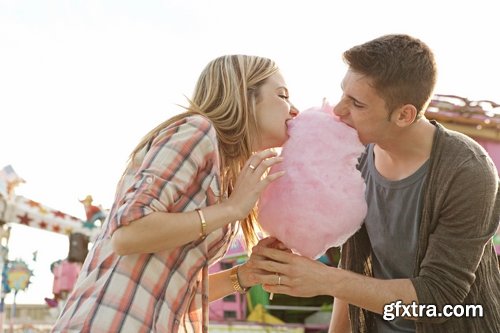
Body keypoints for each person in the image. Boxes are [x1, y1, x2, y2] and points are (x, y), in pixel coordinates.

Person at [248, 34, 500, 333]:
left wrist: (323, 279)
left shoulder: (467, 171)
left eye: (356, 104)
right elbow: (353, 268)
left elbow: (441, 298)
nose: (339, 110)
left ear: (404, 115)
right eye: (343, 94)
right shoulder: (355, 157)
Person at [52, 54, 299, 332]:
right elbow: (128, 233)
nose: (294, 110)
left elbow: (173, 290)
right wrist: (230, 210)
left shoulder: (226, 177)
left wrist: (245, 275)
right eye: (283, 95)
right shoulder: (198, 130)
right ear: (244, 96)